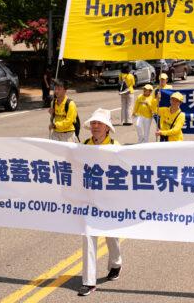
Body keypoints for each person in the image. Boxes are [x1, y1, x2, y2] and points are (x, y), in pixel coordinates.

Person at [78, 108, 122, 296]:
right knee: (88, 236)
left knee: (111, 236)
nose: (95, 126)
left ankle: (116, 263)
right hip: (89, 200)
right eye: (93, 123)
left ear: (107, 128)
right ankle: (89, 281)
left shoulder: (115, 146)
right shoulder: (84, 145)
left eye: (99, 123)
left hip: (110, 201)